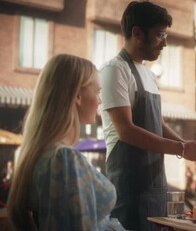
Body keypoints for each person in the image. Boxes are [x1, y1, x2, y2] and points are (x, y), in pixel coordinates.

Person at [99, 0, 196, 230]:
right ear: (137, 33)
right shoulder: (115, 70)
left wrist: (187, 144)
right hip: (128, 189)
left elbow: (158, 124)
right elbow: (126, 131)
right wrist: (182, 150)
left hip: (156, 188)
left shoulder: (149, 75)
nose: (165, 43)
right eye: (160, 34)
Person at [7, 54, 123, 230]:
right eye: (97, 92)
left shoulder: (37, 155)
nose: (100, 100)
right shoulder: (64, 159)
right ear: (77, 96)